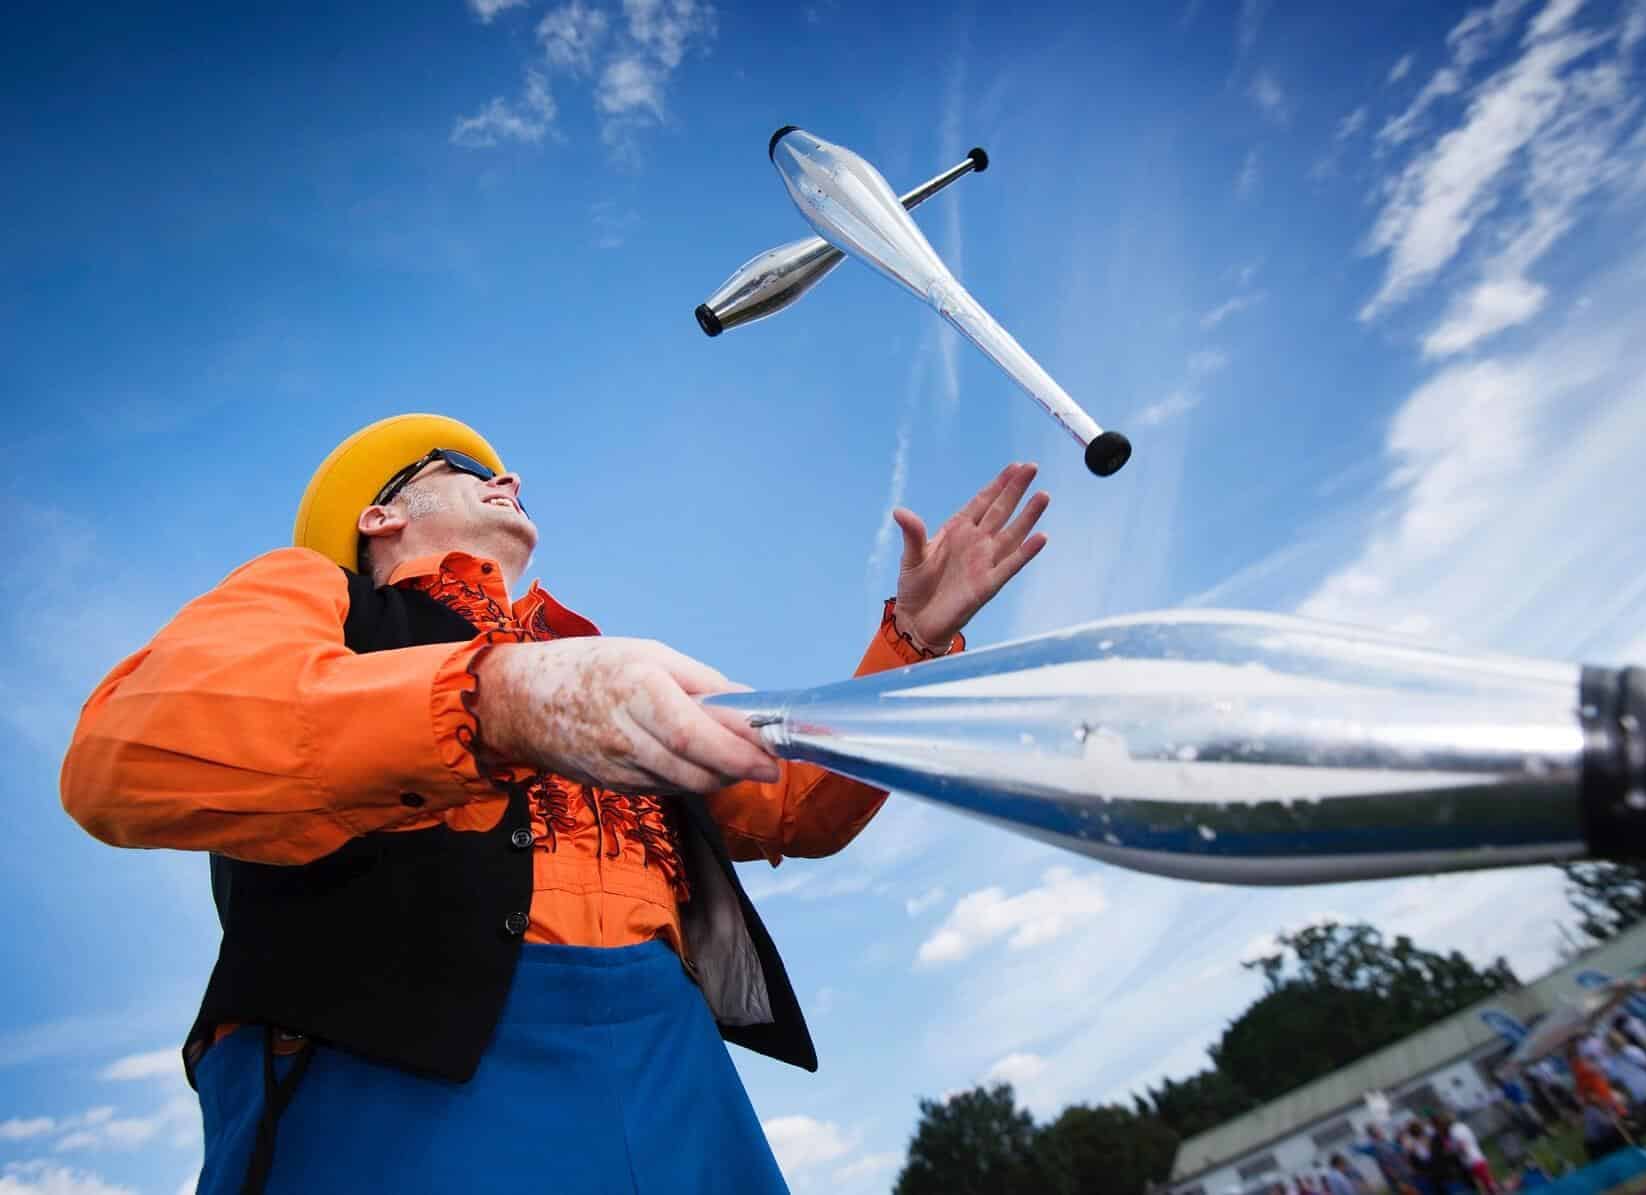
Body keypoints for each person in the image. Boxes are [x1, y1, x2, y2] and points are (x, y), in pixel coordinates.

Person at [59, 414, 1053, 1194]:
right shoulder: (308, 598)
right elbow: (124, 748)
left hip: (671, 1060)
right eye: (461, 464)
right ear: (379, 515)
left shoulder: (603, 660)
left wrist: (909, 645)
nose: (508, 478)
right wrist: (493, 703)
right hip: (391, 1074)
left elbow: (789, 806)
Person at [1438, 1112, 1496, 1195]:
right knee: (1489, 1183)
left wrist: (1451, 1150)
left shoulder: (1453, 1131)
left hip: (1471, 1161)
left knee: (1485, 1186)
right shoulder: (1461, 1126)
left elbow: (1462, 1146)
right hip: (1478, 1156)